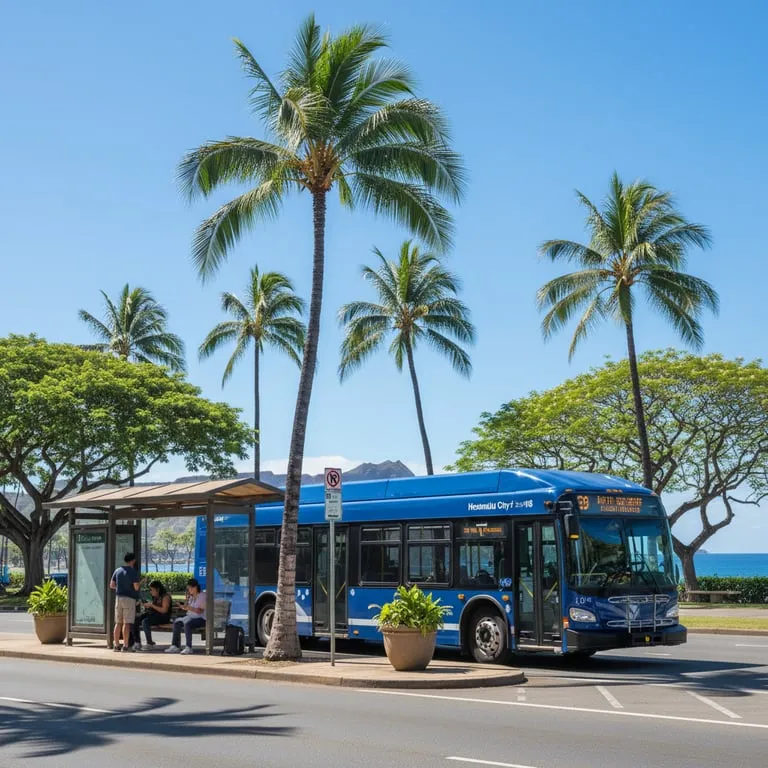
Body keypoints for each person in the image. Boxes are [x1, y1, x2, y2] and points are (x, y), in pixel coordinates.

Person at [165, 578, 205, 655]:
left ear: (195, 587)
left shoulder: (202, 596)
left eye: (190, 588)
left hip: (201, 618)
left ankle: (188, 647)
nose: (189, 590)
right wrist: (184, 606)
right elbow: (189, 609)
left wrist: (189, 608)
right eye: (188, 588)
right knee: (177, 622)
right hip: (190, 617)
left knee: (188, 624)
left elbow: (200, 611)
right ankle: (175, 646)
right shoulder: (191, 597)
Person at [109, 552, 140, 652]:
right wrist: (138, 585)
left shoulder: (117, 570)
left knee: (118, 622)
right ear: (133, 561)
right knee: (126, 623)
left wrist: (121, 587)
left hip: (119, 598)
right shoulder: (132, 571)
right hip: (129, 599)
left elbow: (112, 585)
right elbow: (136, 587)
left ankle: (116, 645)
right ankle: (126, 646)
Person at [131, 580, 172, 651]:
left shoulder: (165, 597)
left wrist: (152, 605)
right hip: (154, 615)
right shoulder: (155, 597)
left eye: (152, 590)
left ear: (158, 589)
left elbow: (164, 610)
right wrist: (147, 605)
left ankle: (149, 643)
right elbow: (154, 607)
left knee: (145, 622)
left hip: (163, 617)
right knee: (135, 619)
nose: (151, 592)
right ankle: (137, 642)